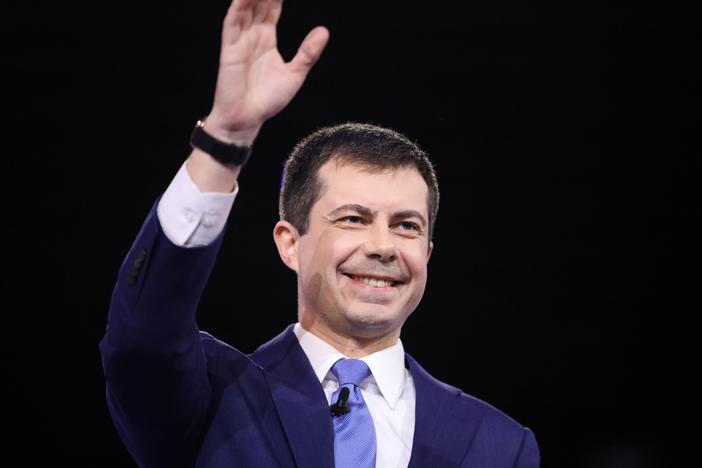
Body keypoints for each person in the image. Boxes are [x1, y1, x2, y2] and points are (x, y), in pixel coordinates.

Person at [99, 0, 541, 467]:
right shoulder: (213, 395)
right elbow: (141, 338)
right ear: (290, 242)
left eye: (406, 225)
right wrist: (225, 138)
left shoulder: (500, 444)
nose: (382, 246)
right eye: (353, 218)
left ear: (428, 253)